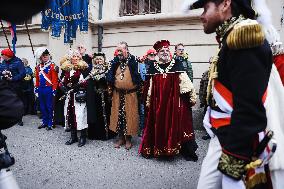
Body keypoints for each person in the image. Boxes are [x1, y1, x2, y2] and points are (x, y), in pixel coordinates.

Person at [183, 0, 273, 188]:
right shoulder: (230, 37)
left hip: (236, 139)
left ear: (225, 4)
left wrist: (234, 161)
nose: (201, 16)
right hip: (223, 134)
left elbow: (249, 110)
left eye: (206, 8)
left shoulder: (243, 39)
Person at [139, 40, 198, 161]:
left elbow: (185, 82)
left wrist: (191, 96)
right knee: (158, 124)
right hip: (158, 103)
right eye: (162, 51)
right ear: (158, 53)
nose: (165, 53)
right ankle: (160, 149)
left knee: (177, 124)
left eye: (167, 50)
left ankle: (176, 149)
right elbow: (149, 86)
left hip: (174, 103)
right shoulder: (153, 67)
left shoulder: (176, 64)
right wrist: (148, 101)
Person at [106, 41, 142, 150]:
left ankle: (128, 139)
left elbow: (140, 78)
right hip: (117, 94)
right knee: (119, 117)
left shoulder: (134, 61)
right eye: (118, 50)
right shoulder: (115, 62)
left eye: (121, 50)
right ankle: (120, 138)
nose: (119, 52)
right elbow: (110, 76)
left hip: (130, 95)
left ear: (127, 50)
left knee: (129, 117)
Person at [60, 49, 89, 147]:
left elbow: (86, 83)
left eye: (77, 56)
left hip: (79, 96)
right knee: (70, 115)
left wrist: (80, 85)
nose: (75, 58)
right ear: (70, 58)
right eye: (74, 56)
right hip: (69, 96)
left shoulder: (83, 68)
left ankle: (83, 138)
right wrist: (63, 87)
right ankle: (73, 137)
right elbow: (63, 81)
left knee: (80, 116)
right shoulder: (67, 69)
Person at [86, 52, 116, 140]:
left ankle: (107, 134)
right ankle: (96, 134)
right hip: (95, 96)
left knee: (107, 113)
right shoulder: (91, 70)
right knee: (96, 114)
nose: (99, 61)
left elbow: (110, 81)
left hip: (106, 95)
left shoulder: (107, 69)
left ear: (104, 60)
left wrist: (104, 78)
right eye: (97, 59)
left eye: (101, 59)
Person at [0, 48, 26, 126]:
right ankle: (9, 117)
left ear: (7, 56)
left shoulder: (18, 62)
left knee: (18, 102)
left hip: (16, 85)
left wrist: (13, 79)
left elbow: (22, 74)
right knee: (7, 101)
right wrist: (2, 72)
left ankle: (19, 119)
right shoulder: (4, 62)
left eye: (2, 55)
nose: (1, 56)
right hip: (6, 85)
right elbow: (1, 70)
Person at [35, 48, 58, 130]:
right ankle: (44, 122)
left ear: (49, 56)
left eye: (46, 55)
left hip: (49, 88)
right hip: (41, 89)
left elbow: (55, 80)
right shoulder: (38, 67)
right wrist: (36, 88)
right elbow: (37, 79)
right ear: (40, 57)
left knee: (49, 106)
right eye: (43, 56)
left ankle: (50, 123)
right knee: (42, 106)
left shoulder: (52, 66)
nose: (45, 57)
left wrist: (54, 89)